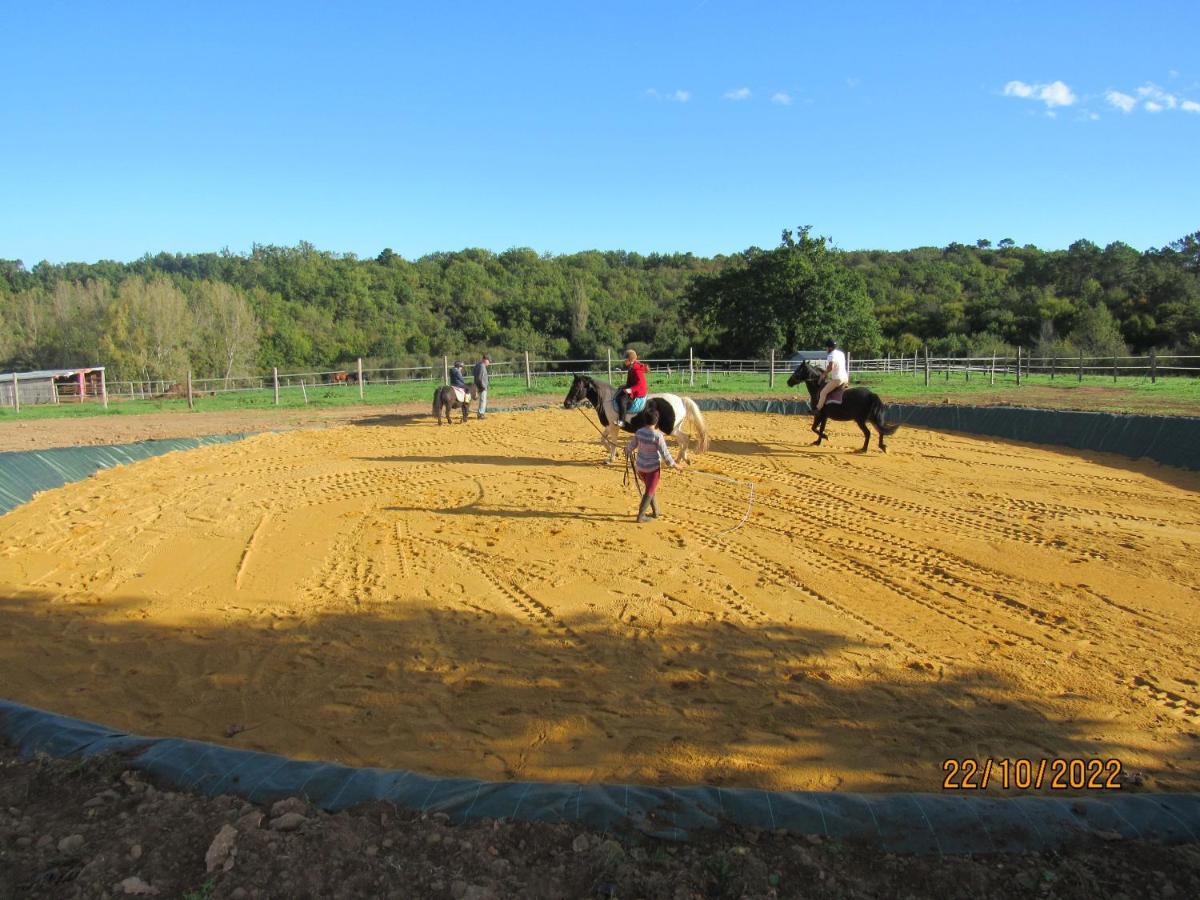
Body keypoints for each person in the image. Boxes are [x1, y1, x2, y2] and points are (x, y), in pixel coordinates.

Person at [624, 405, 677, 522]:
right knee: (649, 491)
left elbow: (630, 446)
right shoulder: (658, 436)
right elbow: (665, 454)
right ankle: (641, 515)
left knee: (650, 488)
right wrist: (675, 465)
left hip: (641, 468)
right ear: (657, 420)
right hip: (652, 469)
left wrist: (626, 449)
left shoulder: (639, 432)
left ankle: (655, 511)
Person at [614, 348, 648, 426]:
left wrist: (631, 390)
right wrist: (624, 386)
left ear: (630, 360)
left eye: (625, 359)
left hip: (638, 391)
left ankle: (622, 421)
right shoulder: (631, 368)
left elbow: (641, 384)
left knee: (622, 400)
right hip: (633, 389)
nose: (624, 361)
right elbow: (630, 382)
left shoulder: (636, 370)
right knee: (618, 393)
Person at [817, 338, 849, 411]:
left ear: (830, 347)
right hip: (845, 378)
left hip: (837, 379)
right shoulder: (841, 353)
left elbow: (831, 367)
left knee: (823, 393)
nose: (826, 349)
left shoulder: (831, 355)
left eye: (827, 347)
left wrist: (823, 374)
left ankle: (817, 409)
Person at [472, 353, 490, 419]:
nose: (489, 363)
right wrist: (482, 387)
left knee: (481, 400)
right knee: (483, 400)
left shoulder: (477, 365)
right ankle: (481, 414)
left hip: (476, 385)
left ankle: (480, 413)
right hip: (481, 386)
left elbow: (474, 374)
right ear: (485, 360)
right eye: (488, 361)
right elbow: (480, 378)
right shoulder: (482, 366)